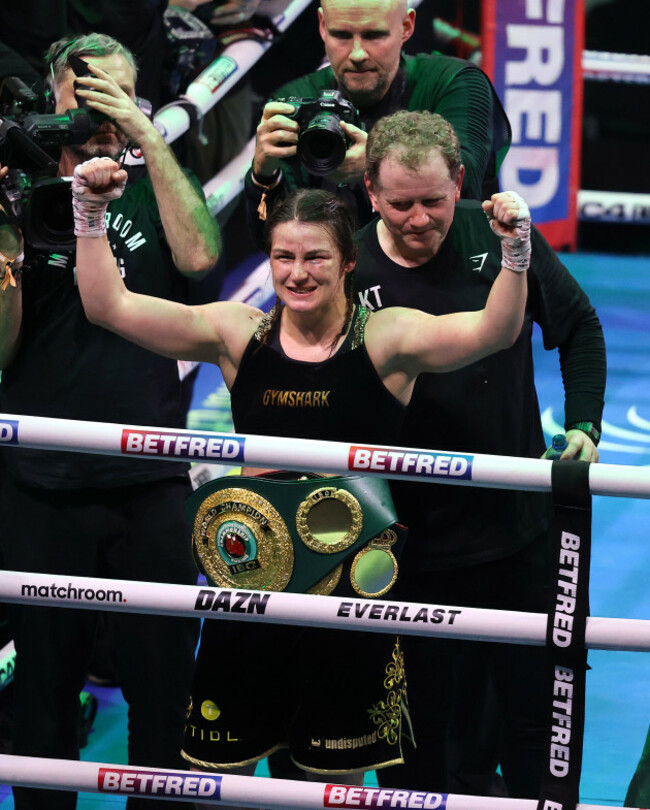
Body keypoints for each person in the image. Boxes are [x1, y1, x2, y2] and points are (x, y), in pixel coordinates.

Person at [70, 148, 530, 796]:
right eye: (283, 257)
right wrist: (88, 214)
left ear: (347, 262)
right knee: (222, 773)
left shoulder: (385, 339)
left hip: (350, 594)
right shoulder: (240, 334)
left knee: (335, 781)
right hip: (253, 583)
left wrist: (515, 255)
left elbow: (493, 330)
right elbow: (108, 306)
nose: (297, 272)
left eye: (314, 257)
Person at [352, 110, 606, 797]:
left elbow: (578, 324)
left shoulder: (500, 239)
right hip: (404, 543)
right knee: (414, 727)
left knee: (535, 711)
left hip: (516, 529)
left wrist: (585, 422)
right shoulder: (344, 265)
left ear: (460, 182)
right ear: (371, 190)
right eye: (400, 203)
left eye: (433, 201)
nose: (417, 219)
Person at [0, 32, 220, 810]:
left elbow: (198, 257)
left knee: (165, 695)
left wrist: (146, 138)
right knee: (43, 698)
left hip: (151, 473)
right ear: (54, 97)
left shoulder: (155, 180)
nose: (100, 111)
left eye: (117, 95)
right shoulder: (16, 186)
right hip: (40, 477)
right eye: (85, 95)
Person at [243, 0, 510, 239]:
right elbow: (271, 240)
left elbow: (466, 184)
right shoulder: (294, 100)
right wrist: (264, 177)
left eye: (374, 35)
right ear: (323, 26)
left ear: (406, 26)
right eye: (342, 35)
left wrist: (378, 164)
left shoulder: (454, 83)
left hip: (448, 274)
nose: (357, 54)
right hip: (343, 282)